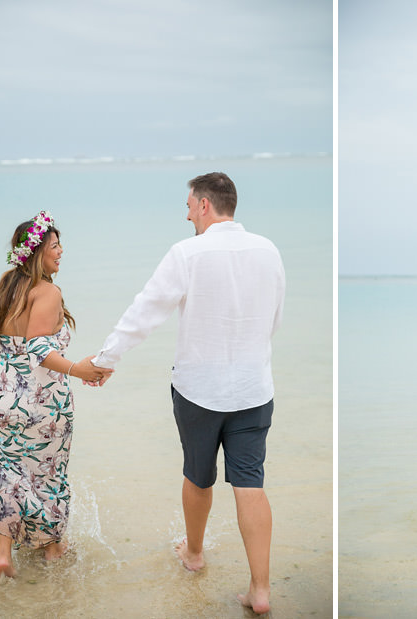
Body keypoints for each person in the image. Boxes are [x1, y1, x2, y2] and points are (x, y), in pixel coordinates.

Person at [89, 173, 284, 615]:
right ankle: (260, 591)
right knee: (250, 483)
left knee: (199, 476)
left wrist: (106, 359)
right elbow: (275, 315)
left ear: (202, 205)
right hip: (254, 389)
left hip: (199, 389)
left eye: (188, 206)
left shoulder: (187, 252)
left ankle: (194, 555)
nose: (187, 214)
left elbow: (146, 309)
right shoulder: (269, 249)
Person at [0, 211, 112, 581]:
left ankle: (4, 552)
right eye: (54, 246)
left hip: (4, 404)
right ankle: (52, 549)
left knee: (10, 473)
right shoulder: (48, 292)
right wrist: (78, 368)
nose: (61, 251)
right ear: (35, 254)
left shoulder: (1, 289)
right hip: (45, 406)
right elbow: (39, 350)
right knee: (48, 476)